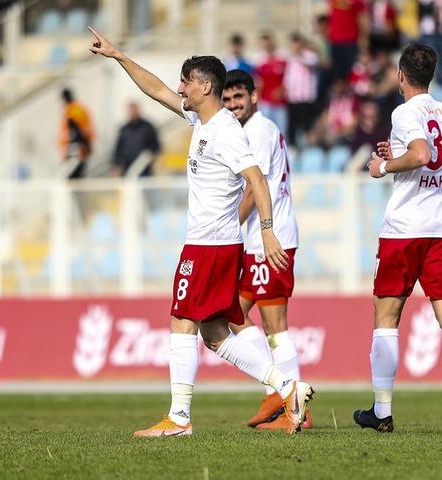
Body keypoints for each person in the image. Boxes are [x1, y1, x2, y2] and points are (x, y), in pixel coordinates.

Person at [87, 27, 314, 436]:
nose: (180, 87)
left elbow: (257, 180)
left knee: (181, 321)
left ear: (205, 86)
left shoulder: (227, 131)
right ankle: (287, 385)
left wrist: (266, 230)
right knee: (214, 334)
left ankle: (179, 417)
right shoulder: (200, 118)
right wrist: (119, 55)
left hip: (210, 245)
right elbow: (156, 90)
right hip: (213, 244)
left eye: (186, 81)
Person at [355, 43, 442, 434]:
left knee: (387, 315)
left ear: (400, 75)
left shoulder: (405, 111)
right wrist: (402, 156)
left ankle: (382, 410)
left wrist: (383, 166)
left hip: (406, 229)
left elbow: (423, 154)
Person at [220, 69, 308, 431]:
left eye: (239, 97)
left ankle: (296, 409)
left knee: (276, 328)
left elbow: (255, 190)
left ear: (254, 97)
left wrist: (225, 226)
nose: (233, 105)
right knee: (230, 314)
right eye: (226, 100)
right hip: (258, 242)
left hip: (270, 240)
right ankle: (278, 389)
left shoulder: (259, 131)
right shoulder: (253, 131)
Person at [112, 102, 161, 177]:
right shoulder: (124, 129)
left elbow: (155, 146)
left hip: (144, 169)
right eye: (131, 111)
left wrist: (148, 156)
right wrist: (116, 165)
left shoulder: (147, 127)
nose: (133, 113)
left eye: (134, 110)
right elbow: (118, 149)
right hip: (127, 168)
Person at [253, 34, 289, 135]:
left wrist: (282, 90)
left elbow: (288, 79)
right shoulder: (259, 62)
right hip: (265, 103)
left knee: (281, 133)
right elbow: (257, 82)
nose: (266, 46)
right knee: (265, 133)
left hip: (280, 103)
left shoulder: (282, 59)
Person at [58, 87, 94, 179]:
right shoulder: (75, 109)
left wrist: (84, 146)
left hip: (76, 151)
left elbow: (78, 133)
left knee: (74, 179)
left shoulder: (74, 110)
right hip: (77, 150)